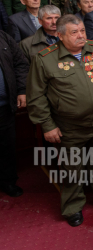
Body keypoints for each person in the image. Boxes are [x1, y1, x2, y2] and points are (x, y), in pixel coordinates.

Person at [27, 15, 93, 227]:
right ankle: (72, 207)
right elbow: (36, 96)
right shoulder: (45, 59)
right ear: (60, 35)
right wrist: (48, 125)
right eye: (74, 32)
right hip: (68, 126)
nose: (81, 36)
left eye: (82, 31)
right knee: (72, 169)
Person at [0, 29, 29, 197]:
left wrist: (22, 90)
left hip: (4, 105)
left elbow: (20, 64)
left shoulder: (3, 37)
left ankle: (8, 182)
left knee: (6, 145)